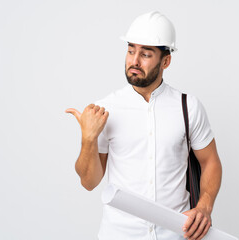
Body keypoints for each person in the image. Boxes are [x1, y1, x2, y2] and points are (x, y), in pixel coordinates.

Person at [65, 11, 222, 240]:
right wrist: (88, 138)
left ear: (165, 61)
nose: (134, 61)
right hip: (118, 235)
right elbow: (89, 182)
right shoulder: (105, 109)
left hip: (175, 235)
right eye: (130, 51)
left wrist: (205, 206)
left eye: (146, 54)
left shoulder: (188, 107)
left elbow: (210, 162)